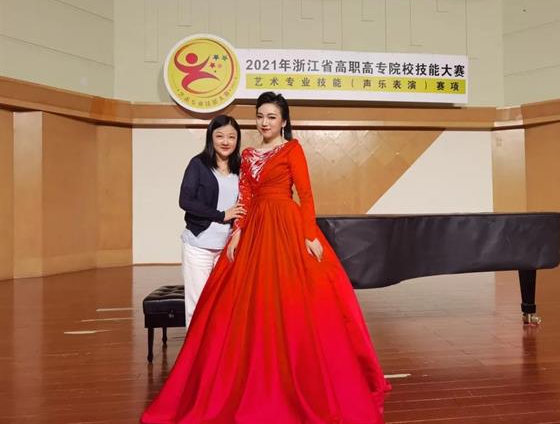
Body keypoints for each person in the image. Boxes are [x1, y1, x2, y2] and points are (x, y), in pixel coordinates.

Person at [141, 92, 390, 424]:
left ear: (283, 121)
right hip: (255, 227)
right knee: (245, 301)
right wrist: (238, 231)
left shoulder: (292, 149)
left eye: (271, 116)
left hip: (286, 224)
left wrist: (310, 234)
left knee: (294, 298)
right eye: (260, 116)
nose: (264, 122)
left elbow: (306, 193)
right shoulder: (247, 154)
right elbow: (245, 195)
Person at [178, 114, 245, 327]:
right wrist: (221, 214)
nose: (226, 141)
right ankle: (194, 349)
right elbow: (185, 201)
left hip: (227, 248)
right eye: (220, 136)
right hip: (199, 246)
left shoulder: (241, 168)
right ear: (211, 137)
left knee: (223, 305)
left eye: (231, 137)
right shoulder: (198, 164)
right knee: (198, 306)